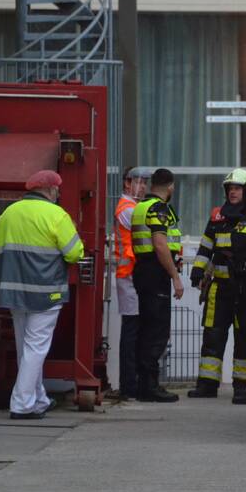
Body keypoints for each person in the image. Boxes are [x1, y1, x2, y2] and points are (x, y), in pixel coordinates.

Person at [0, 169, 84, 420]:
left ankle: (39, 399)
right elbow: (75, 253)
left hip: (13, 291)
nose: (58, 193)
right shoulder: (56, 215)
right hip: (46, 292)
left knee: (25, 348)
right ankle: (22, 405)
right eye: (57, 189)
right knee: (36, 348)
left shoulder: (8, 214)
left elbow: (0, 249)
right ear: (50, 189)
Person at [187, 168, 246, 404]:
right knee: (213, 336)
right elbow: (206, 246)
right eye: (230, 188)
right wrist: (198, 270)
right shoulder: (217, 216)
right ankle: (207, 385)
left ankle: (242, 385)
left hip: (244, 289)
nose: (232, 192)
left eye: (237, 188)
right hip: (219, 289)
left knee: (244, 338)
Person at [131, 168, 183, 403]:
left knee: (146, 328)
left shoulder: (140, 206)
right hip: (155, 272)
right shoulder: (158, 208)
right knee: (156, 331)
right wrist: (175, 276)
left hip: (143, 270)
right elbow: (160, 245)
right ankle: (150, 387)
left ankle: (143, 384)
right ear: (170, 186)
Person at [110, 167, 148, 400]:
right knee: (132, 330)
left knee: (134, 329)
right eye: (138, 182)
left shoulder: (132, 207)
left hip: (132, 274)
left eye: (145, 183)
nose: (142, 187)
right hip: (129, 274)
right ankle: (129, 386)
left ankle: (131, 384)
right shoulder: (128, 209)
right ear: (126, 184)